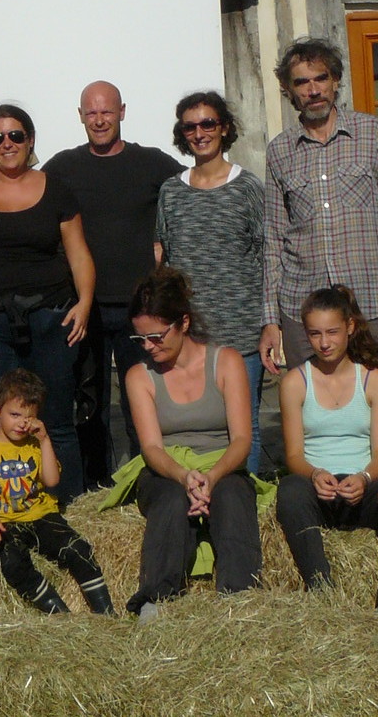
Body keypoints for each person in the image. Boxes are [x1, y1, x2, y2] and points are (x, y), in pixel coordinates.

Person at [0, 104, 93, 504]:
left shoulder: (55, 188)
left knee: (55, 419)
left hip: (50, 316)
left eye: (16, 136)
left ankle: (66, 509)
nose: (7, 144)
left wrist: (86, 303)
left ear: (30, 140)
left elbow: (78, 254)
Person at [45, 80, 183, 483]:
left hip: (140, 309)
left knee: (143, 399)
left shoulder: (153, 163)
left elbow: (188, 197)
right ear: (80, 116)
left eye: (107, 111)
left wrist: (165, 248)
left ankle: (148, 481)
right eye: (92, 113)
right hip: (85, 306)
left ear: (122, 112)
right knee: (90, 404)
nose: (100, 120)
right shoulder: (61, 168)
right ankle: (95, 485)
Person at [261, 38, 378, 377]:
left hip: (371, 302)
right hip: (303, 307)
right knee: (315, 414)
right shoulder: (279, 151)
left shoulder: (370, 133)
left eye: (321, 78)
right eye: (302, 82)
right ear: (289, 90)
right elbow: (273, 240)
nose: (313, 90)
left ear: (335, 81)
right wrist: (270, 320)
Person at [124, 266, 261, 617]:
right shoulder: (140, 377)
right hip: (168, 469)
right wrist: (184, 476)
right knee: (169, 499)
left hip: (221, 464)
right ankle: (155, 599)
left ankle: (239, 598)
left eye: (156, 336)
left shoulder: (225, 362)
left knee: (232, 494)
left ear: (183, 323)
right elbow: (151, 448)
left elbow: (242, 439)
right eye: (140, 339)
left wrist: (211, 478)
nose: (149, 347)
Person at [276, 285, 378, 613]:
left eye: (332, 332)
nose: (324, 343)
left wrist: (365, 478)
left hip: (362, 482)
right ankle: (321, 589)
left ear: (350, 328)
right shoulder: (295, 383)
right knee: (289, 491)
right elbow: (294, 455)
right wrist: (315, 475)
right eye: (314, 334)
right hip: (318, 487)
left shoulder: (374, 381)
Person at [156, 91, 266, 471]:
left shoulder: (248, 188)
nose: (199, 132)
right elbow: (164, 260)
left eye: (208, 123)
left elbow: (265, 258)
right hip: (191, 335)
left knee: (244, 426)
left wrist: (271, 323)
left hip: (242, 330)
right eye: (190, 126)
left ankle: (248, 505)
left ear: (224, 128)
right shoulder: (171, 191)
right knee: (194, 428)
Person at [0, 367, 114, 615]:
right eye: (15, 414)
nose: (22, 423)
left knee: (77, 548)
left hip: (41, 515)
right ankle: (58, 612)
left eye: (29, 417)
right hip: (4, 521)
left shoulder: (35, 444)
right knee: (11, 562)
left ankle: (106, 612)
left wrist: (44, 441)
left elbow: (52, 480)